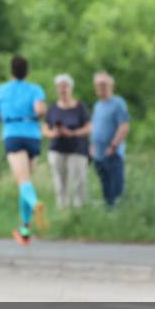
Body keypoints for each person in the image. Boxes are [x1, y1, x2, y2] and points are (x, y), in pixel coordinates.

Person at [0, 55, 48, 245]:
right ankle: (25, 230)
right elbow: (40, 111)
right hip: (33, 135)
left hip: (13, 134)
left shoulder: (1, 90)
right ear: (26, 71)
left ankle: (36, 202)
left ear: (11, 70)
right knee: (27, 181)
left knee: (23, 183)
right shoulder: (35, 89)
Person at [43, 74, 92, 209]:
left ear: (71, 88)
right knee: (60, 182)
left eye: (65, 87)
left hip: (77, 149)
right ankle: (62, 210)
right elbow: (45, 128)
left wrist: (72, 133)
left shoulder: (80, 107)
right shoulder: (52, 107)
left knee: (79, 182)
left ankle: (78, 211)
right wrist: (54, 133)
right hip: (57, 149)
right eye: (60, 87)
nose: (63, 90)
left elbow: (89, 127)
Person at [90, 71, 131, 207]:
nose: (100, 87)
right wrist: (92, 146)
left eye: (103, 84)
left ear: (111, 86)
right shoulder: (97, 105)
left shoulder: (118, 103)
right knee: (106, 189)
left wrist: (113, 146)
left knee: (116, 189)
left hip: (113, 154)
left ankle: (119, 218)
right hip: (99, 155)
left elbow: (124, 126)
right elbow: (95, 127)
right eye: (97, 85)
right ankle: (109, 216)